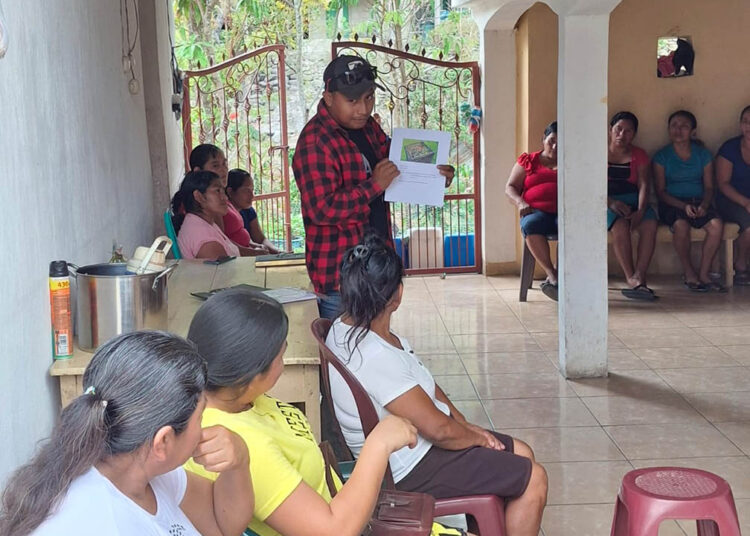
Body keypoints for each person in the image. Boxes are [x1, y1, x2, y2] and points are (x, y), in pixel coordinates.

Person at [184, 289, 466, 536]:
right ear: (249, 374)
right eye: (280, 355)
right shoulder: (242, 444)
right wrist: (379, 443)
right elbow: (333, 531)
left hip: (354, 510)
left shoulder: (237, 400)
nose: (284, 359)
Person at [326, 234, 548, 536]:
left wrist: (465, 424)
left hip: (408, 452)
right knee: (534, 478)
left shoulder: (345, 328)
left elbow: (424, 385)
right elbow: (439, 431)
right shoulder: (374, 355)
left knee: (522, 452)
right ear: (397, 295)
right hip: (409, 466)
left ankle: (487, 524)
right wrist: (476, 438)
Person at [0, 331, 253, 536]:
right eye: (200, 417)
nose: (203, 429)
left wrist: (239, 462)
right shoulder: (101, 522)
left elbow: (222, 525)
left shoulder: (137, 467)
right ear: (163, 441)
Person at [293, 55, 454, 319]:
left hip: (377, 268)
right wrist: (374, 185)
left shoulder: (368, 128)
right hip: (341, 278)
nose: (363, 109)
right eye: (352, 101)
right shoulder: (315, 142)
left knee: (375, 340)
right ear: (329, 97)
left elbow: (394, 159)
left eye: (368, 98)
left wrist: (435, 172)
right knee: (345, 344)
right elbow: (322, 209)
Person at [653, 110, 725, 292]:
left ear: (693, 131)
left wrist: (704, 205)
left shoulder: (703, 155)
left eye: (684, 126)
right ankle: (689, 273)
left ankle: (704, 274)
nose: (678, 130)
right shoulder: (662, 157)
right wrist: (683, 206)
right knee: (681, 225)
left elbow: (709, 187)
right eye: (674, 126)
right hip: (672, 203)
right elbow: (660, 192)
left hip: (699, 201)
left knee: (716, 225)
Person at [606, 111, 659, 300]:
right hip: (606, 202)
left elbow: (644, 184)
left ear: (634, 134)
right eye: (618, 129)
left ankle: (640, 275)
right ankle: (630, 277)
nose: (622, 134)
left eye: (628, 131)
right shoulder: (598, 152)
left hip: (635, 200)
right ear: (610, 130)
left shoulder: (639, 154)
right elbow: (591, 185)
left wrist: (641, 210)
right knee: (620, 226)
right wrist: (611, 203)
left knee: (650, 224)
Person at [505, 121, 559, 301]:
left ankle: (565, 274)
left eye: (561, 142)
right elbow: (510, 187)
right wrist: (520, 203)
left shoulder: (572, 162)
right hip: (536, 212)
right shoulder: (529, 160)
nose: (555, 146)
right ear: (543, 139)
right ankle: (552, 274)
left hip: (564, 212)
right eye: (552, 141)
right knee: (530, 225)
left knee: (573, 227)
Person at [171, 170, 266, 259]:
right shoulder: (205, 239)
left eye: (223, 191)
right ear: (199, 196)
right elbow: (225, 271)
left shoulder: (204, 223)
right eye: (217, 191)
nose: (225, 198)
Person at [716, 105, 750, 285]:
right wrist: (746, 203)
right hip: (731, 199)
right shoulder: (730, 148)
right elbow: (723, 183)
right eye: (745, 121)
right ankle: (741, 265)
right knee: (749, 224)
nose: (749, 126)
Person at [225, 168, 281, 254]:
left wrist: (277, 251)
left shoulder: (248, 211)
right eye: (246, 190)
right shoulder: (223, 214)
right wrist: (253, 252)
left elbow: (260, 239)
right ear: (230, 192)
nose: (252, 196)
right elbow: (226, 244)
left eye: (252, 190)